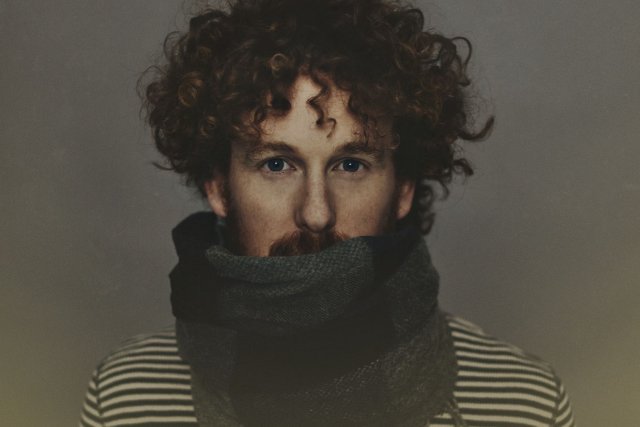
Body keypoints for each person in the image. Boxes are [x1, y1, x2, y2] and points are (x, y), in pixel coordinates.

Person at [80, 0, 575, 425]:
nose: (316, 213)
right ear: (218, 188)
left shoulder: (527, 405)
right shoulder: (123, 400)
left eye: (350, 164)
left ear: (403, 189)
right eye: (277, 164)